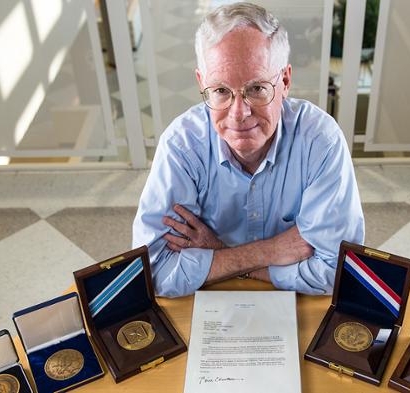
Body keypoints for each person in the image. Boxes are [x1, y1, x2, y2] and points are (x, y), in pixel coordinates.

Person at [133, 2, 364, 297]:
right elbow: (153, 273)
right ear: (202, 83)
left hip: (296, 304)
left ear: (285, 81)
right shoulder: (181, 146)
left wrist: (217, 254)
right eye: (220, 91)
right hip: (206, 303)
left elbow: (337, 273)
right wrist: (270, 251)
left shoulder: (321, 142)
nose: (239, 113)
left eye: (257, 89)